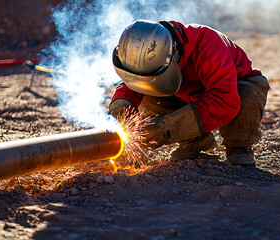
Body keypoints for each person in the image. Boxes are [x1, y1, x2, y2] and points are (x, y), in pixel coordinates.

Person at [109, 20, 270, 165]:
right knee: (148, 95)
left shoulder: (209, 46)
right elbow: (134, 83)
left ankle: (239, 146)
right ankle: (195, 142)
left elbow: (225, 101)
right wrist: (120, 107)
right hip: (191, 93)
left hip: (235, 87)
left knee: (247, 94)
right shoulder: (145, 46)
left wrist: (165, 128)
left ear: (174, 56)